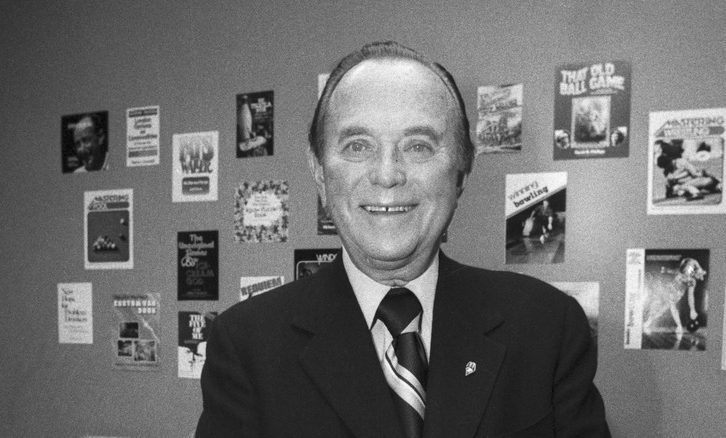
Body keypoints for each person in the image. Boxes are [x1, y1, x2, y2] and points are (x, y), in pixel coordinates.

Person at [195, 41, 610, 437]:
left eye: (418, 146)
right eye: (358, 145)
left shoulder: (547, 326)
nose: (388, 174)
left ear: (461, 169)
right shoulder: (246, 346)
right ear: (319, 171)